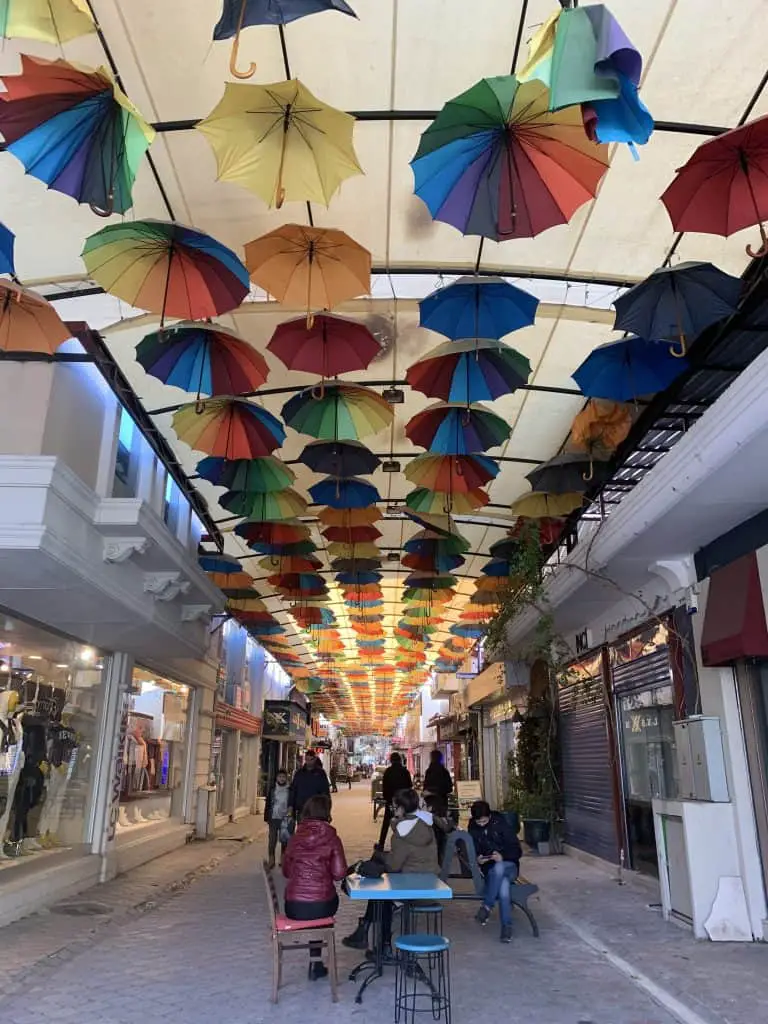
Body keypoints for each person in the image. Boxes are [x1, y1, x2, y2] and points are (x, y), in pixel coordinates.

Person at [343, 788, 438, 958]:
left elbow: (394, 865)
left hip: (413, 891)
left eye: (394, 807)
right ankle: (367, 933)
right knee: (382, 889)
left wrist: (380, 855)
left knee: (381, 895)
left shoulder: (403, 832)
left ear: (401, 809)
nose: (392, 810)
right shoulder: (425, 825)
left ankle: (378, 942)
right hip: (431, 885)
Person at [282, 794, 348, 981]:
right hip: (322, 905)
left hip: (294, 907)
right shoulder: (332, 838)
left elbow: (286, 872)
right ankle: (316, 962)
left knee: (317, 906)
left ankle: (316, 962)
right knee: (323, 906)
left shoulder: (295, 839)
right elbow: (339, 874)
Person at [468, 800, 523, 944]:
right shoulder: (473, 826)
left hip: (510, 866)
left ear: (490, 816)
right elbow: (473, 849)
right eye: (478, 822)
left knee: (500, 868)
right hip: (490, 870)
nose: (481, 824)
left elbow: (517, 850)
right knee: (503, 886)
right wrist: (478, 858)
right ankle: (506, 927)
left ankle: (487, 906)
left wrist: (502, 856)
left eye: (484, 821)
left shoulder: (501, 824)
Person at [422, 749, 453, 863]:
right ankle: (440, 857)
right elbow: (449, 788)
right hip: (441, 805)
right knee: (441, 830)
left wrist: (430, 793)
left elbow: (426, 788)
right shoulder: (444, 771)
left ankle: (431, 857)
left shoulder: (429, 771)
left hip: (430, 806)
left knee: (431, 830)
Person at [378, 751, 412, 847]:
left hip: (391, 802)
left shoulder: (388, 771)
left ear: (391, 760)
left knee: (386, 823)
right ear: (400, 760)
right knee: (404, 822)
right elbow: (409, 786)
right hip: (403, 802)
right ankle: (404, 843)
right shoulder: (405, 771)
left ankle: (381, 843)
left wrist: (387, 798)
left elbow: (385, 787)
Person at [289, 749, 331, 820]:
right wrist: (290, 806)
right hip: (301, 808)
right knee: (303, 829)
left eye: (311, 759)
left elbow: (325, 792)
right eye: (307, 759)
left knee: (315, 830)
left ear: (315, 759)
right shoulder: (299, 773)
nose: (309, 762)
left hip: (316, 810)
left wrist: (327, 810)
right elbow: (293, 790)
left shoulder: (320, 773)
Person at [264, 768, 291, 869]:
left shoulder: (289, 790)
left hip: (284, 819)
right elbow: (268, 804)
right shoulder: (272, 789)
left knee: (284, 840)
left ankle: (283, 860)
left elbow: (291, 803)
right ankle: (271, 859)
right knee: (272, 839)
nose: (282, 779)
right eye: (280, 777)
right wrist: (266, 817)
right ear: (276, 778)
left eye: (283, 777)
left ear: (286, 778)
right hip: (273, 818)